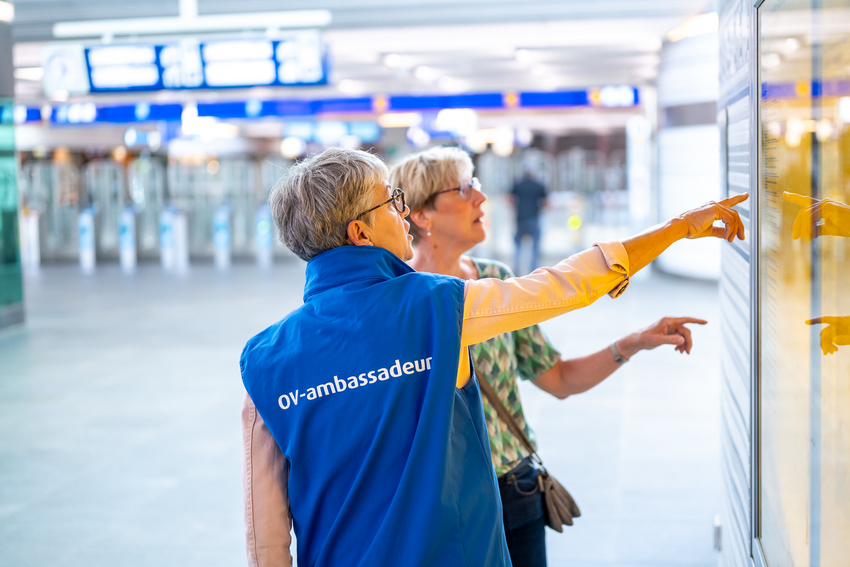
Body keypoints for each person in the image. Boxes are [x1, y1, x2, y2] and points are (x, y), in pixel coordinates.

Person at [240, 146, 747, 567]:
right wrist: (680, 227)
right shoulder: (439, 306)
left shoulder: (263, 359)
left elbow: (266, 535)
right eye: (392, 204)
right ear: (360, 233)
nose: (402, 214)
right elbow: (566, 285)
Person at [389, 146, 708, 567]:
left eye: (477, 185)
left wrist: (634, 342)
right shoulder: (398, 303)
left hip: (517, 489)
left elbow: (557, 379)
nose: (481, 198)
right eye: (465, 188)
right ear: (421, 214)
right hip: (444, 504)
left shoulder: (494, 279)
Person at [511, 169, 548, 274]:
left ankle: (516, 269)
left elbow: (510, 199)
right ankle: (534, 271)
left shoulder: (518, 184)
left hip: (520, 218)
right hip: (533, 218)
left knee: (518, 245)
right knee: (535, 247)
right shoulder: (538, 185)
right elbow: (545, 202)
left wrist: (517, 209)